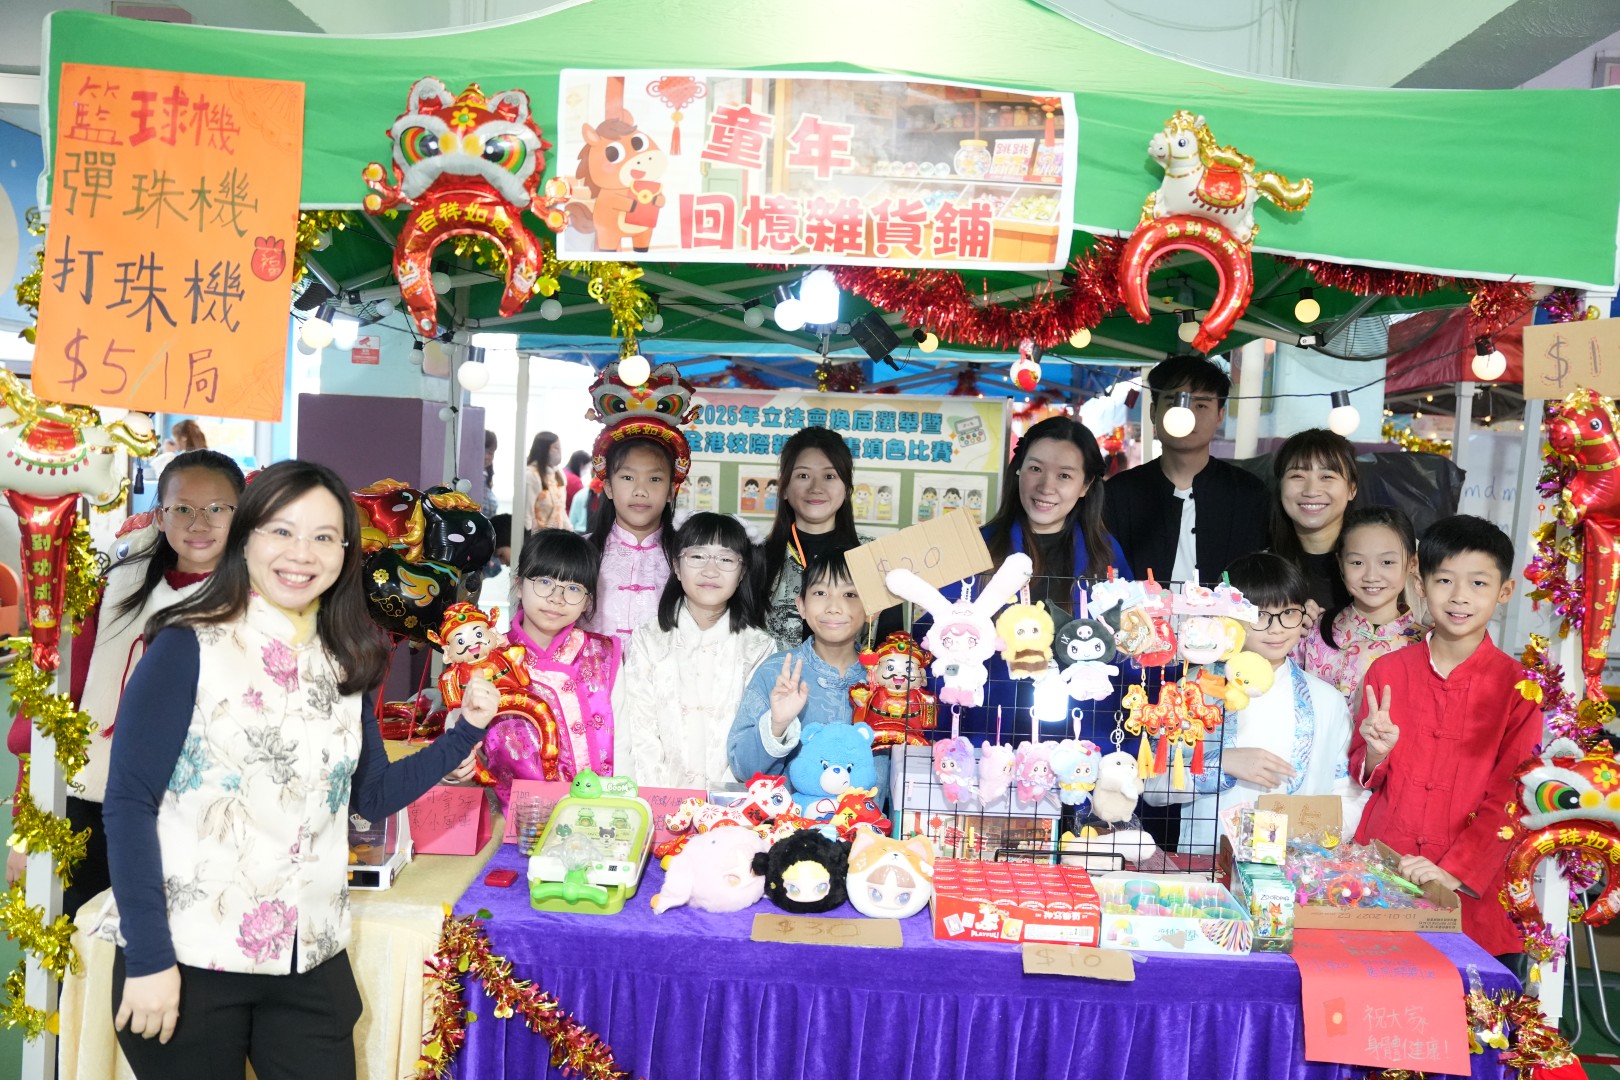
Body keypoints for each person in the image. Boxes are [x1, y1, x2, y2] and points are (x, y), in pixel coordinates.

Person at [101, 459, 499, 1077]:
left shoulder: (346, 656)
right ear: (247, 538)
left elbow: (370, 795)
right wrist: (151, 959)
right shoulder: (186, 643)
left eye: (323, 536)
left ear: (346, 552)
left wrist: (465, 732)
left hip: (309, 956)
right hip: (190, 954)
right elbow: (129, 803)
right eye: (282, 531)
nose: (302, 553)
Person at [6, 451, 246, 905]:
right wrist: (27, 826)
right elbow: (53, 707)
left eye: (217, 508)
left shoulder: (261, 604)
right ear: (160, 515)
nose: (199, 523)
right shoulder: (118, 587)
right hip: (94, 806)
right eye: (182, 508)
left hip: (202, 819)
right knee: (80, 937)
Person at [1349, 514, 1542, 960]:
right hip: (1386, 868)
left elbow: (1514, 792)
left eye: (1478, 583)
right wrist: (1376, 753)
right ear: (1420, 584)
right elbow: (1364, 772)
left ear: (1505, 591)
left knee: (1471, 999)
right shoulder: (1388, 671)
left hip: (1475, 886)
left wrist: (1454, 872)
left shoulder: (1520, 687)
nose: (1459, 597)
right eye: (1444, 580)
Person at [1147, 552, 1363, 854]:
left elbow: (1348, 792)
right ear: (1229, 619)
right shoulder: (1193, 689)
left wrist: (1317, 841)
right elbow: (1153, 788)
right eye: (1259, 615)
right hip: (1209, 861)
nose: (1277, 628)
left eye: (1289, 612)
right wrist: (1222, 763)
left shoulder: (1326, 699)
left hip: (1298, 867)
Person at [618, 513, 774, 789]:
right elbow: (640, 731)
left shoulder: (759, 648)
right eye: (698, 556)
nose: (710, 571)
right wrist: (658, 799)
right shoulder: (649, 639)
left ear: (742, 572)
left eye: (726, 559)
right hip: (659, 801)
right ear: (677, 567)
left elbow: (753, 736)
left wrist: (722, 802)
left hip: (731, 806)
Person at [1104, 356, 1269, 584]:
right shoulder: (1118, 494)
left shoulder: (1249, 494)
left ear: (1220, 416)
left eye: (1200, 405)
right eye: (1174, 403)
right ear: (1153, 411)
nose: (1186, 415)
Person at [727, 551, 870, 794]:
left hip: (867, 817)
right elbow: (742, 768)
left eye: (849, 594)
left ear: (870, 608)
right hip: (790, 817)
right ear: (801, 605)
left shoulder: (887, 679)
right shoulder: (777, 672)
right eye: (820, 593)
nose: (834, 607)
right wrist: (777, 725)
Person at [506, 528, 624, 777]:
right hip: (514, 800)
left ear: (587, 601)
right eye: (545, 582)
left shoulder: (604, 654)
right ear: (519, 585)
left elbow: (626, 743)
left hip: (601, 798)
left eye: (573, 588)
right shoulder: (491, 656)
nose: (556, 598)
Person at [1301, 506, 1425, 708]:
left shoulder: (1428, 645)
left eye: (1387, 562)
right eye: (1357, 562)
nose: (1371, 576)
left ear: (1412, 563)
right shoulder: (1312, 632)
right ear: (1340, 563)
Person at [761, 428, 871, 650]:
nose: (816, 488)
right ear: (784, 488)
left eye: (829, 476)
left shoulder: (872, 556)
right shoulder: (757, 557)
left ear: (847, 488)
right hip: (774, 673)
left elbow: (893, 645)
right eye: (803, 476)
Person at [584, 437, 679, 644]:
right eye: (627, 477)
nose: (640, 491)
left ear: (671, 491)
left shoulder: (687, 558)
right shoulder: (579, 551)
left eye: (655, 479)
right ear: (608, 487)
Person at [1270, 428, 1359, 617]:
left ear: (1352, 489)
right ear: (1280, 488)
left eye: (1326, 477)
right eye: (1297, 476)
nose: (1311, 491)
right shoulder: (1262, 570)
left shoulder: (1391, 560)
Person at [525, 431, 569, 532]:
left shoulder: (558, 474)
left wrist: (572, 533)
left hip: (556, 537)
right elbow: (527, 515)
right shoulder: (531, 475)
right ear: (544, 450)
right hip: (538, 538)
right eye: (556, 448)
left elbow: (561, 511)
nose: (560, 451)